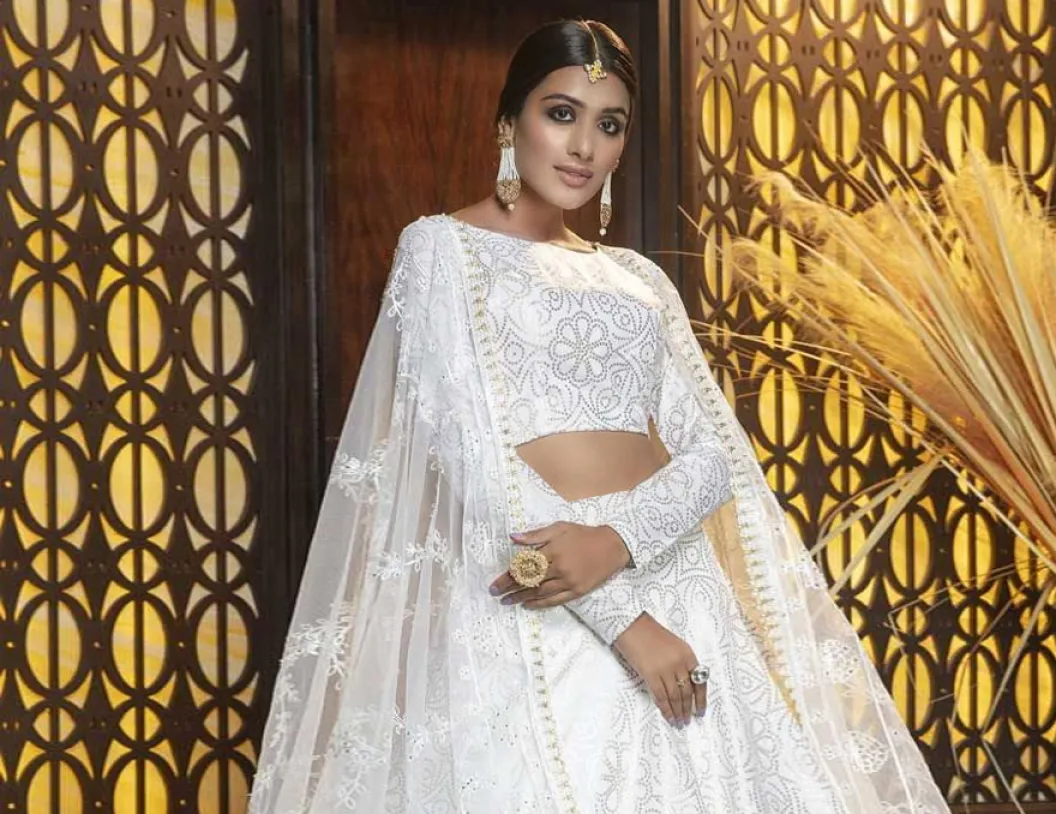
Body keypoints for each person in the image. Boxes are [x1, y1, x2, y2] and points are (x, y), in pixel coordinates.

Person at [249, 19, 950, 814]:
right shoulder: (441, 251)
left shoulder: (639, 281)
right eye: (561, 114)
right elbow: (472, 456)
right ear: (508, 123)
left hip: (675, 585)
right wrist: (624, 621)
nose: (584, 145)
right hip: (536, 597)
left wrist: (617, 542)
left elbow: (713, 454)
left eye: (608, 124)